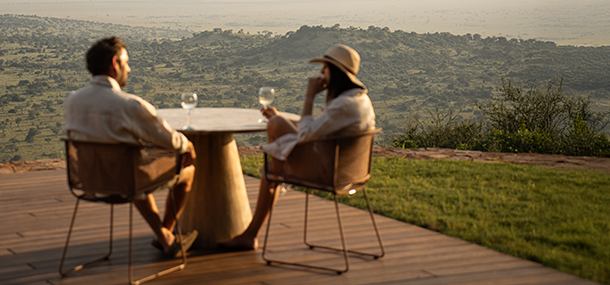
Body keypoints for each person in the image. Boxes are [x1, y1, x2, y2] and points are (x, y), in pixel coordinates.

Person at [218, 44, 376, 251]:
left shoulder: (343, 105)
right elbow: (314, 130)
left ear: (336, 72)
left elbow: (305, 134)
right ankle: (277, 172)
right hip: (348, 171)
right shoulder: (359, 100)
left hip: (328, 173)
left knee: (271, 167)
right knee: (277, 122)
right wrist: (280, 119)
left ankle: (253, 228)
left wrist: (309, 96)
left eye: (326, 68)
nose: (321, 72)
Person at [64, 36, 198, 257]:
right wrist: (188, 145)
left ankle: (165, 238)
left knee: (134, 169)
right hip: (127, 183)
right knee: (187, 171)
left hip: (88, 181)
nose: (129, 69)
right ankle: (167, 234)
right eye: (126, 63)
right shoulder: (129, 105)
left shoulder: (72, 101)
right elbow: (169, 140)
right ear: (114, 63)